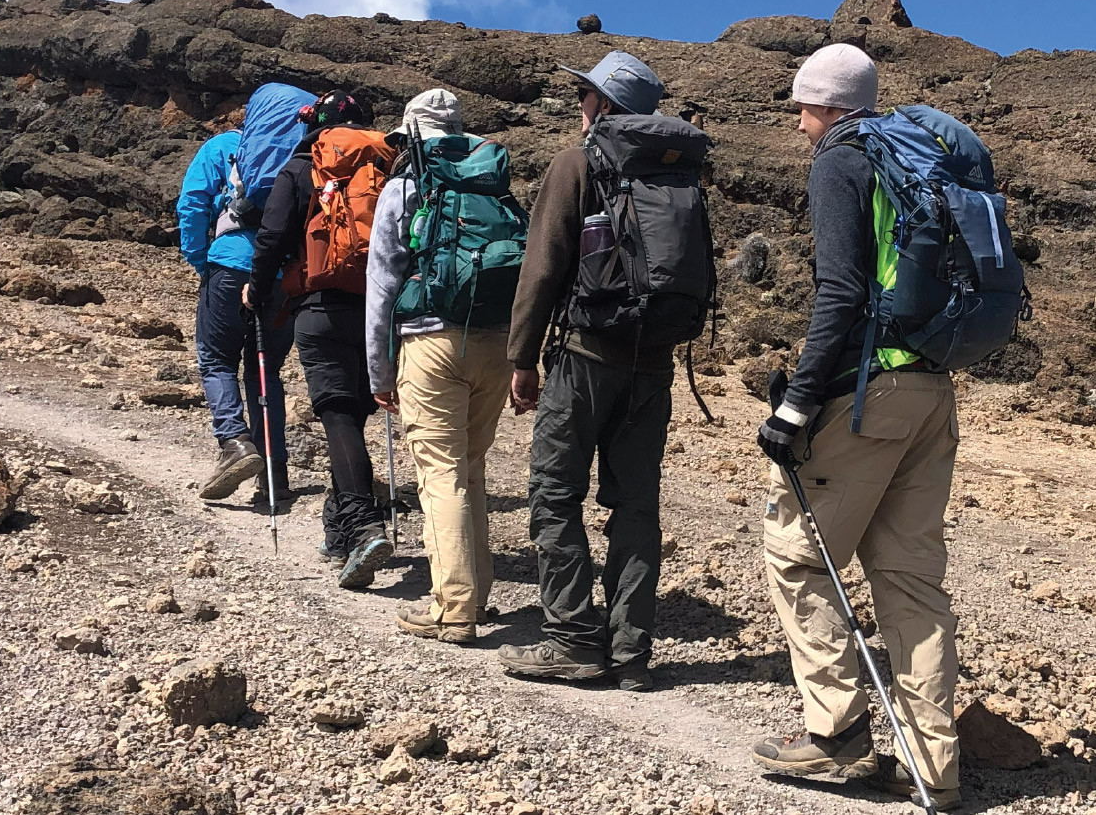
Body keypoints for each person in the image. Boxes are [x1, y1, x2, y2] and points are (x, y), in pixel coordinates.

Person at [749, 43, 964, 810]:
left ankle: (837, 737)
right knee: (910, 580)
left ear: (830, 105)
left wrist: (797, 403)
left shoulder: (842, 159)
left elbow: (839, 294)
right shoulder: (916, 159)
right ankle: (932, 766)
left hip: (870, 394)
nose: (800, 123)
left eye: (804, 107)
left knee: (800, 555)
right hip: (933, 391)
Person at [496, 50, 707, 693]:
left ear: (605, 105)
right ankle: (632, 654)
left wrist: (521, 357)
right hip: (656, 363)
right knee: (636, 505)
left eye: (586, 95)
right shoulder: (682, 175)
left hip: (585, 356)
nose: (579, 105)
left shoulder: (578, 162)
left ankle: (571, 640)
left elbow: (542, 268)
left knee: (555, 494)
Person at [367, 88, 518, 643]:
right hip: (495, 344)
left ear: (410, 133)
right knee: (472, 468)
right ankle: (476, 593)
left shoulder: (406, 187)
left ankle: (452, 607)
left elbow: (382, 284)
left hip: (430, 343)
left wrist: (379, 373)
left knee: (441, 474)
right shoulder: (491, 183)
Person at [247, 90, 396, 590]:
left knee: (336, 416)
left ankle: (363, 522)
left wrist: (258, 285)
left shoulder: (302, 168)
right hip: (378, 310)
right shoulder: (387, 164)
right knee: (351, 418)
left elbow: (271, 236)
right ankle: (339, 531)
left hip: (320, 308)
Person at [175, 82, 311, 503]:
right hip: (284, 276)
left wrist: (204, 262)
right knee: (265, 370)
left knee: (217, 359)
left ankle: (234, 443)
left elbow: (193, 205)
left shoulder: (222, 149)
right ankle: (275, 474)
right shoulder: (305, 158)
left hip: (230, 267)